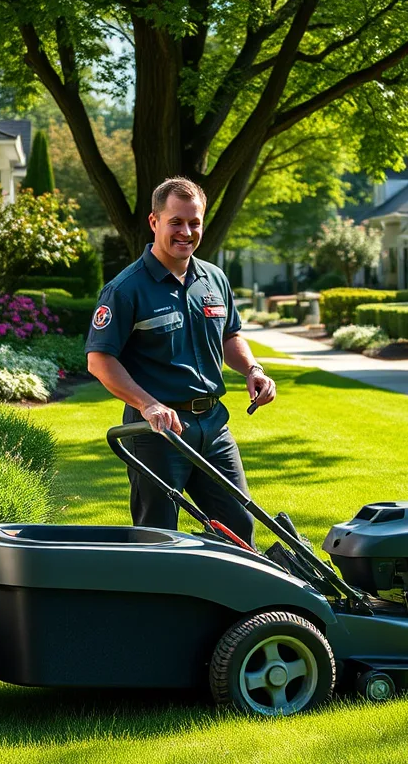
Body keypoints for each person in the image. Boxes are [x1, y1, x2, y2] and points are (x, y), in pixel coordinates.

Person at [85, 176, 276, 545]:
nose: (186, 232)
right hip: (158, 433)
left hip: (214, 426)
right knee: (158, 538)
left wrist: (253, 369)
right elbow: (100, 360)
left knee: (238, 527)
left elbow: (230, 335)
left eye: (194, 222)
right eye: (176, 222)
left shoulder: (214, 279)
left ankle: (233, 603)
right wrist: (147, 404)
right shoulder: (126, 289)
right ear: (154, 222)